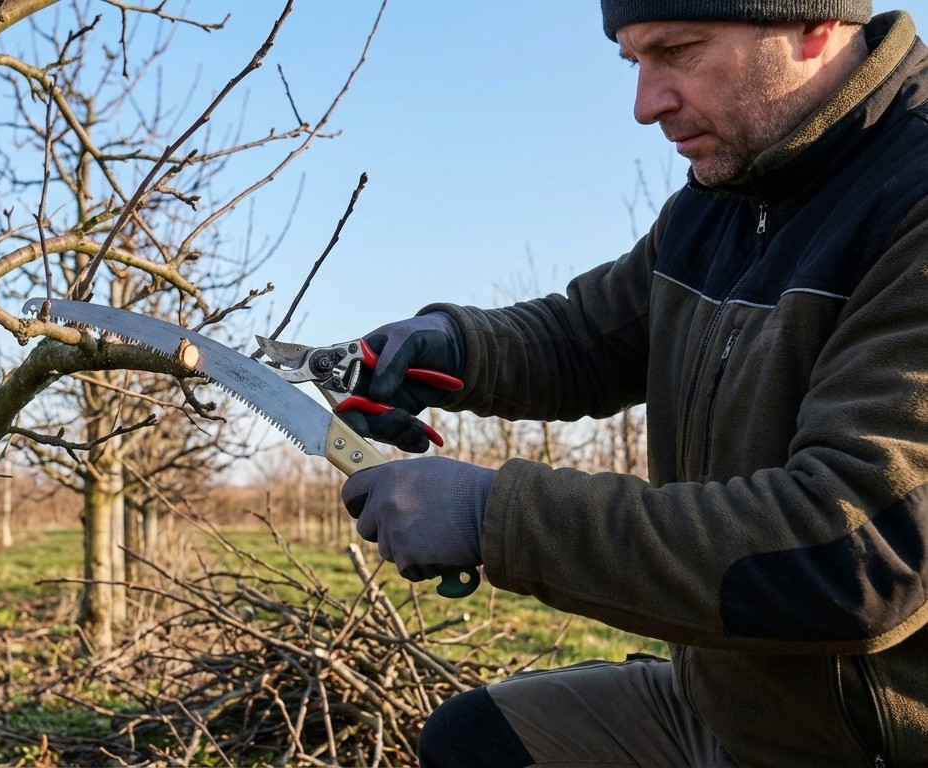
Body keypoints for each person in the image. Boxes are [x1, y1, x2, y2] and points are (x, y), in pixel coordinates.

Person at [337, 2, 928, 766]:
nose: (645, 105)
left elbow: (853, 552)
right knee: (478, 742)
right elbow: (589, 337)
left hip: (870, 739)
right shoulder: (727, 195)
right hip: (730, 702)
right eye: (632, 62)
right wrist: (451, 347)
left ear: (812, 24)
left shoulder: (910, 202)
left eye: (678, 51)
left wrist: (495, 516)